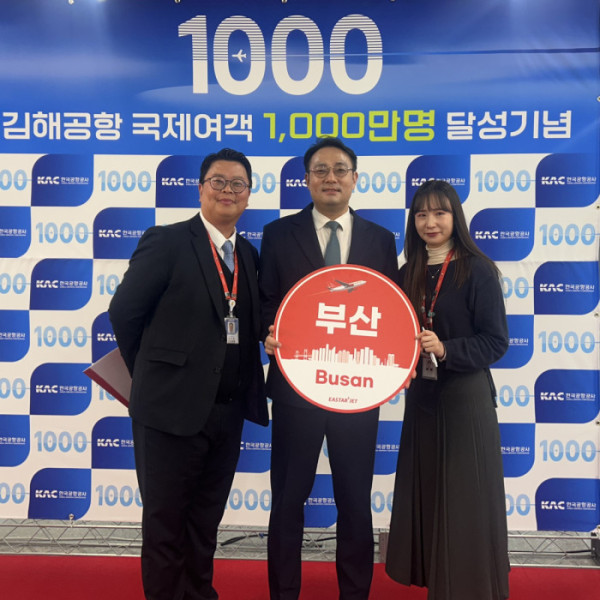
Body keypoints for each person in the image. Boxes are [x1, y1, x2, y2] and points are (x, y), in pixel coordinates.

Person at [108, 148, 269, 600]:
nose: (227, 190)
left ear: (248, 195)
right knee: (165, 525)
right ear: (201, 189)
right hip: (168, 411)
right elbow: (124, 313)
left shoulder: (249, 255)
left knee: (204, 524)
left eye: (238, 184)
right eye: (218, 181)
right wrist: (154, 374)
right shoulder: (167, 241)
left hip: (227, 414)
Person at [259, 137, 399, 600]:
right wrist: (268, 333)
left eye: (340, 169)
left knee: (355, 501)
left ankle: (355, 593)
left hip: (358, 390)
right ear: (307, 179)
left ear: (355, 179)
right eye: (320, 170)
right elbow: (265, 302)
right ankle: (284, 593)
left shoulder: (381, 239)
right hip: (296, 389)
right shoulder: (279, 234)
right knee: (288, 499)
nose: (331, 177)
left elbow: (391, 313)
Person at [385, 179, 510, 600]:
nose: (430, 222)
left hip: (465, 399)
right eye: (421, 214)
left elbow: (496, 342)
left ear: (456, 217)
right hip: (422, 400)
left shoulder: (477, 269)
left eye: (440, 213)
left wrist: (447, 349)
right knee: (428, 496)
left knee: (464, 502)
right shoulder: (407, 273)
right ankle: (437, 583)